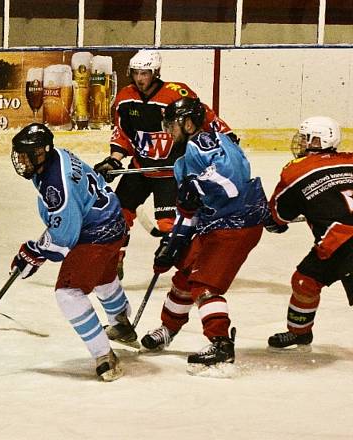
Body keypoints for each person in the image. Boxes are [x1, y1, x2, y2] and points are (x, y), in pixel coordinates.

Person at [140, 97, 269, 374]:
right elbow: (191, 212)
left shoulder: (205, 143)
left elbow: (232, 184)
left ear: (188, 123)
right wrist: (174, 242)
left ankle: (220, 343)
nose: (168, 131)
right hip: (216, 223)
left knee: (204, 284)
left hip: (236, 225)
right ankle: (168, 328)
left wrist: (198, 186)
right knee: (184, 275)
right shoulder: (186, 158)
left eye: (172, 124)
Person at [9, 123, 137, 382]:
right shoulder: (59, 155)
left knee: (68, 293)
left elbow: (64, 238)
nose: (21, 160)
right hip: (114, 220)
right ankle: (121, 322)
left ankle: (104, 356)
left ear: (42, 153)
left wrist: (34, 253)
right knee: (102, 277)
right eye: (19, 154)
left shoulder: (56, 186)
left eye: (27, 154)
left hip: (98, 233)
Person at [92, 50, 237, 277]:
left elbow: (202, 115)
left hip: (171, 171)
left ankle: (190, 267)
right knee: (117, 214)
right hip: (140, 167)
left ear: (155, 73)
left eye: (145, 73)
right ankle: (113, 260)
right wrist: (114, 160)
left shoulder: (175, 93)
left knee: (168, 224)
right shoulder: (125, 97)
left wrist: (226, 136)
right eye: (136, 73)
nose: (140, 78)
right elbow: (123, 133)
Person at [265, 116, 353, 352]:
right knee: (305, 280)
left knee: (305, 281)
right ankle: (299, 333)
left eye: (304, 138)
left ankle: (299, 333)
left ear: (318, 140)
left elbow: (278, 214)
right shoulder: (350, 160)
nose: (300, 144)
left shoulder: (296, 170)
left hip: (341, 240)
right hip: (338, 240)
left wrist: (274, 223)